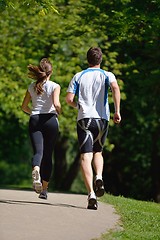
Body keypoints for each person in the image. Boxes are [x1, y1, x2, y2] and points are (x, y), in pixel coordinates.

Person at [66, 47, 121, 210]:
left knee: (85, 156)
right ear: (100, 59)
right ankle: (99, 176)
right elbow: (115, 88)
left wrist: (78, 106)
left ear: (87, 59)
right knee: (98, 152)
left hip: (85, 120)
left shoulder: (79, 76)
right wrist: (117, 111)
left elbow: (69, 99)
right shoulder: (107, 75)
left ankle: (91, 194)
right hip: (102, 119)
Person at [22, 58, 61, 200]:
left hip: (35, 119)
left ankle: (36, 170)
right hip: (50, 120)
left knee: (38, 152)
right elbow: (56, 104)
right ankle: (44, 190)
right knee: (48, 154)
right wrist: (59, 111)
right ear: (51, 72)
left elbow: (23, 107)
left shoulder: (31, 87)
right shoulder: (55, 86)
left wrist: (32, 113)